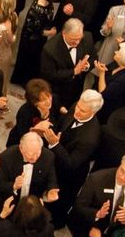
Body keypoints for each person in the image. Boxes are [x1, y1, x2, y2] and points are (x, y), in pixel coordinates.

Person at [39, 89, 103, 226]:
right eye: (78, 106)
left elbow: (71, 163)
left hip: (69, 176)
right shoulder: (77, 106)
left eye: (83, 111)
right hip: (55, 161)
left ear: (94, 112)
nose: (77, 111)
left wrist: (55, 144)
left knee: (58, 205)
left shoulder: (90, 137)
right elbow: (62, 124)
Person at [0, 131, 58, 215]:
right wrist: (14, 186)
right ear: (21, 148)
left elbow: (51, 179)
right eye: (31, 154)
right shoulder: (7, 157)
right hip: (10, 201)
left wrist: (51, 190)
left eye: (38, 153)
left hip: (33, 203)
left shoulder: (49, 156)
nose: (35, 158)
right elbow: (0, 184)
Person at [13, 0, 64, 87]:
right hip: (31, 40)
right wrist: (50, 32)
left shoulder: (45, 0)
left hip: (38, 38)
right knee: (29, 60)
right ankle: (25, 81)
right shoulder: (36, 10)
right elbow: (33, 29)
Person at [39, 18, 95, 108]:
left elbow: (94, 57)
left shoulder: (87, 37)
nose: (77, 42)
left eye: (79, 39)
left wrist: (87, 65)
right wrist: (73, 72)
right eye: (74, 39)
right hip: (58, 92)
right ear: (64, 33)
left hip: (77, 89)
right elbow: (49, 74)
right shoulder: (50, 49)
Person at [6, 77, 63, 148]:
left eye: (48, 96)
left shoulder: (54, 99)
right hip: (22, 144)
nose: (48, 101)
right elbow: (23, 135)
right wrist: (36, 129)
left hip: (44, 146)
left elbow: (58, 110)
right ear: (35, 102)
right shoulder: (24, 112)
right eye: (43, 100)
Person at [93, 41, 125, 121]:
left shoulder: (123, 80)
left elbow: (104, 94)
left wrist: (101, 73)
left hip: (105, 108)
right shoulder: (120, 64)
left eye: (119, 52)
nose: (116, 51)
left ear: (124, 59)